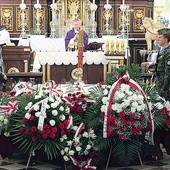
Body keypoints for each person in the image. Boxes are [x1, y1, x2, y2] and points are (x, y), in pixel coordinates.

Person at [155, 28, 170, 100]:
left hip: (164, 84)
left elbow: (168, 71)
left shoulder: (168, 52)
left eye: (160, 37)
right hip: (159, 82)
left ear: (166, 39)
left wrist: (164, 88)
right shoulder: (162, 50)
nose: (158, 39)